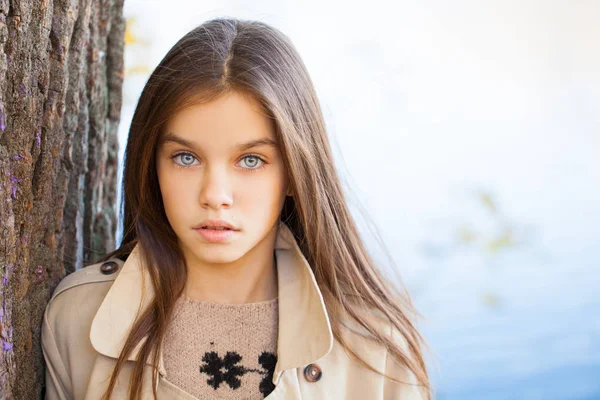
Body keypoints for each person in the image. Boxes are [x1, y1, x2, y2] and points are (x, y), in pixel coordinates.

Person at [41, 17, 433, 400]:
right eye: (185, 157)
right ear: (150, 165)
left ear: (296, 174)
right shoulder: (78, 317)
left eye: (250, 160)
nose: (215, 194)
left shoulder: (375, 348)